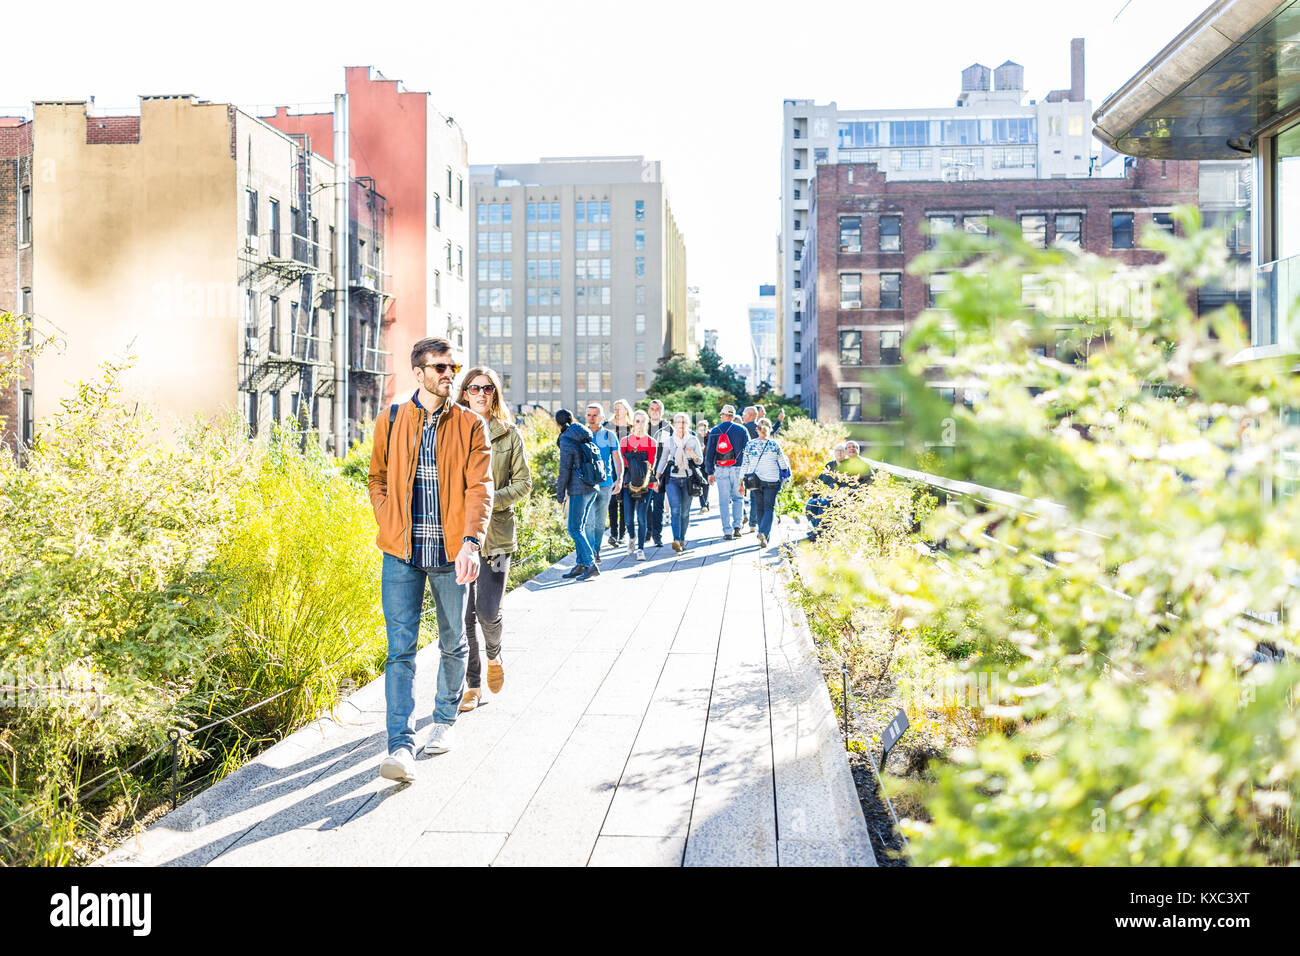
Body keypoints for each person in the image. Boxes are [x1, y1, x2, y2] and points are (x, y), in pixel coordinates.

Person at [367, 337, 492, 783]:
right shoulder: (393, 418)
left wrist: (471, 542)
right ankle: (399, 746)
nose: (448, 374)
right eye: (439, 367)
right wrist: (387, 522)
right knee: (399, 650)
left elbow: (481, 487)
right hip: (400, 553)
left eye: (451, 366)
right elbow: (377, 478)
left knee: (453, 641)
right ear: (418, 372)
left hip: (449, 553)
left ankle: (444, 721)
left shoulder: (470, 424)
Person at [454, 366, 531, 712]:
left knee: (487, 610)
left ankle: (495, 655)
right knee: (464, 616)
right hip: (459, 538)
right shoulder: (451, 432)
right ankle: (472, 684)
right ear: (465, 392)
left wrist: (486, 502)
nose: (481, 394)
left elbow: (523, 484)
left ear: (495, 394)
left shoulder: (509, 435)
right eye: (474, 388)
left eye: (487, 389)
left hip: (497, 538)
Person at [554, 408, 601, 581]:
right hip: (591, 486)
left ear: (558, 423)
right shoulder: (584, 433)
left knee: (574, 528)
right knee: (579, 527)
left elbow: (564, 469)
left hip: (578, 489)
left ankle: (590, 564)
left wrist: (559, 495)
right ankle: (581, 563)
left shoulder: (566, 438)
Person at [739, 416, 791, 549]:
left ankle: (763, 533)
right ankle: (763, 533)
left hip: (755, 481)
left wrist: (740, 481)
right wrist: (785, 477)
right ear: (769, 429)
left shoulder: (750, 445)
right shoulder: (774, 445)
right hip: (772, 480)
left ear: (757, 429)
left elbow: (744, 464)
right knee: (769, 508)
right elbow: (783, 464)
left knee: (760, 507)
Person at [656, 411, 703, 553]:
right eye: (678, 422)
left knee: (685, 513)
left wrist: (692, 454)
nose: (680, 425)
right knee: (675, 510)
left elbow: (700, 461)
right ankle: (676, 540)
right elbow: (663, 459)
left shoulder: (693, 440)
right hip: (673, 479)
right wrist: (656, 477)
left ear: (687, 424)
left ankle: (682, 539)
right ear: (674, 425)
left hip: (688, 479)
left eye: (683, 422)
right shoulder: (669, 441)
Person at [584, 402, 624, 567]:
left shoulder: (609, 435)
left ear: (601, 417)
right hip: (586, 484)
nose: (591, 418)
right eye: (589, 415)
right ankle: (591, 553)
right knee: (589, 520)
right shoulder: (582, 434)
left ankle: (597, 549)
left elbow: (617, 458)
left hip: (606, 484)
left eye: (595, 415)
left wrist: (619, 478)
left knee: (600, 522)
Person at [704, 404, 750, 540]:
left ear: (723, 415)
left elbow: (710, 453)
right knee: (738, 498)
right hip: (738, 469)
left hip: (721, 469)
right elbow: (748, 451)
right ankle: (737, 527)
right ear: (733, 416)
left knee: (724, 501)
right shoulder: (742, 430)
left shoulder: (715, 430)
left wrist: (710, 472)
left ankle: (727, 531)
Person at [620, 409, 658, 561]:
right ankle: (632, 537)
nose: (640, 424)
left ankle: (641, 549)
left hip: (645, 485)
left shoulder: (651, 442)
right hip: (628, 484)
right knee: (628, 519)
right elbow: (622, 464)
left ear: (647, 423)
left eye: (643, 421)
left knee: (641, 518)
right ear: (633, 422)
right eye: (637, 421)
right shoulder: (625, 441)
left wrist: (652, 482)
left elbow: (651, 464)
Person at [645, 399, 674, 547]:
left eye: (657, 409)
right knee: (645, 504)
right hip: (643, 473)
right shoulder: (644, 425)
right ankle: (647, 532)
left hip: (660, 472)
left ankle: (657, 535)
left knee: (658, 504)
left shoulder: (668, 428)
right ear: (649, 410)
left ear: (661, 411)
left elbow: (672, 449)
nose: (655, 411)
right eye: (652, 408)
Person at [606, 399, 634, 547]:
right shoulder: (608, 427)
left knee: (624, 502)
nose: (617, 411)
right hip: (610, 468)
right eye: (615, 408)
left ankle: (622, 534)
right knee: (611, 502)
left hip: (628, 469)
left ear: (626, 410)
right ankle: (613, 534)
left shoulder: (632, 428)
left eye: (620, 408)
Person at [741, 406, 760, 533]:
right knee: (754, 495)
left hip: (744, 465)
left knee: (738, 494)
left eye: (744, 414)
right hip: (758, 466)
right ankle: (753, 523)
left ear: (751, 415)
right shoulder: (760, 428)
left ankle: (743, 515)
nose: (742, 415)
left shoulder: (743, 429)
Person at [695, 418, 711, 511]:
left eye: (704, 430)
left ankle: (705, 503)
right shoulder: (696, 438)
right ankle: (703, 505)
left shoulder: (711, 436)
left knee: (707, 484)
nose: (702, 432)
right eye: (700, 430)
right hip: (699, 464)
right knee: (702, 483)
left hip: (708, 463)